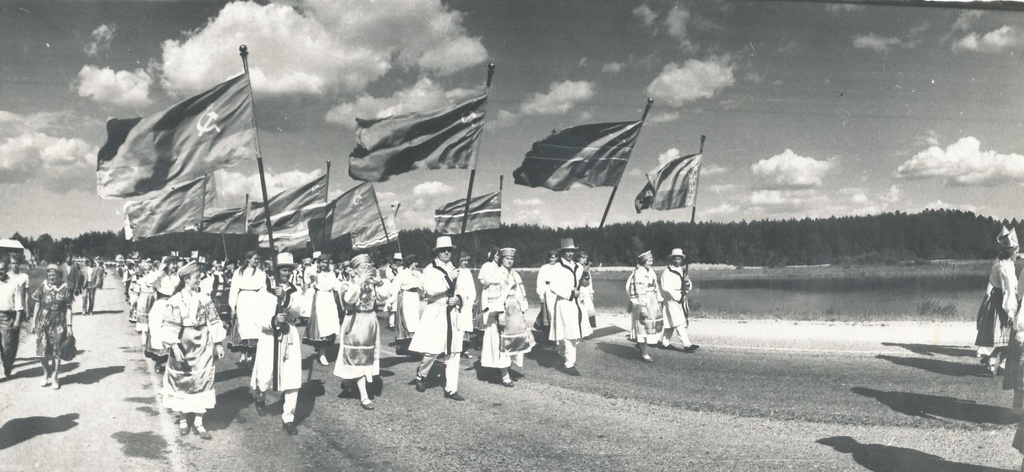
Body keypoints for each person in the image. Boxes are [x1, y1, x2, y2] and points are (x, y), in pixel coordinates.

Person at [161, 261, 227, 440]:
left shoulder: (204, 298)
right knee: (183, 380)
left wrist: (218, 343)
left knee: (203, 380)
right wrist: (174, 346)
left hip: (203, 343)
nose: (199, 280)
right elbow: (169, 324)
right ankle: (183, 419)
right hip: (184, 343)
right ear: (186, 279)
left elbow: (213, 321)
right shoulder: (175, 300)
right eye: (196, 277)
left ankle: (199, 421)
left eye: (199, 277)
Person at [251, 252, 306, 435]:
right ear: (276, 271)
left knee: (292, 378)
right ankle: (260, 397)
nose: (286, 273)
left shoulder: (295, 290)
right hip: (270, 336)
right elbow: (257, 317)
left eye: (289, 270)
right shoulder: (264, 291)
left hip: (289, 335)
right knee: (264, 376)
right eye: (283, 269)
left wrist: (286, 300)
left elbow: (300, 311)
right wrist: (273, 320)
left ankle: (288, 417)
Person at [410, 236, 466, 401]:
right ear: (437, 252)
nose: (447, 252)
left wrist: (459, 298)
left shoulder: (455, 269)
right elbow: (430, 291)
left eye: (449, 250)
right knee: (433, 350)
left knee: (454, 351)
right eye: (443, 250)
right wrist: (449, 279)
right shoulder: (430, 269)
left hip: (452, 313)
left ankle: (451, 389)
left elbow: (464, 289)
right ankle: (422, 374)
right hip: (436, 312)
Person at [334, 254, 388, 410]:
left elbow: (384, 297)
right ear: (355, 270)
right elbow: (349, 300)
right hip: (355, 321)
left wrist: (379, 281)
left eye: (368, 266)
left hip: (370, 321)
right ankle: (364, 396)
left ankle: (348, 382)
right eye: (363, 267)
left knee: (367, 356)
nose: (367, 270)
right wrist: (359, 282)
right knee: (358, 357)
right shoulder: (347, 284)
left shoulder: (371, 283)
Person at [480, 248, 532, 386]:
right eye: (507, 258)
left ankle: (507, 367)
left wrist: (522, 308)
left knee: (515, 341)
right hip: (502, 311)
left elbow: (520, 292)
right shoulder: (496, 274)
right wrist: (498, 311)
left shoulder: (515, 274)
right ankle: (504, 375)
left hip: (514, 311)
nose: (509, 261)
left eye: (511, 259)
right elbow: (493, 294)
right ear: (501, 259)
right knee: (502, 342)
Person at [548, 238, 592, 376]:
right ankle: (569, 364)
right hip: (565, 302)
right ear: (562, 252)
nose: (570, 254)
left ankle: (559, 350)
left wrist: (585, 273)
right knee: (570, 334)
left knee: (578, 333)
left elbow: (585, 284)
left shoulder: (578, 266)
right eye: (567, 251)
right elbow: (554, 287)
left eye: (572, 251)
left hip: (577, 304)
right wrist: (570, 293)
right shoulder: (557, 267)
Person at [978, 226, 1019, 376]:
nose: (1017, 253)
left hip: (997, 300)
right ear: (1011, 251)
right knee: (1010, 335)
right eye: (1015, 250)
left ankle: (999, 363)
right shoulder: (1005, 266)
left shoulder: (1000, 262)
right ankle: (994, 360)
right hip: (1003, 302)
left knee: (1007, 336)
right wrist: (1011, 309)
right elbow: (1007, 289)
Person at [31, 264, 72, 388]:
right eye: (49, 275)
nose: (52, 278)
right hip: (43, 322)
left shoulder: (65, 289)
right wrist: (33, 322)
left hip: (59, 323)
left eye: (54, 275)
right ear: (47, 276)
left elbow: (69, 308)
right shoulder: (43, 286)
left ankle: (55, 378)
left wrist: (69, 325)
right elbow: (37, 304)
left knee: (57, 350)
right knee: (42, 350)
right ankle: (45, 374)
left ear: (59, 275)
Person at [228, 250, 267, 368]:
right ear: (248, 259)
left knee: (254, 329)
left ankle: (250, 356)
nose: (257, 261)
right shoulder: (238, 272)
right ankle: (242, 355)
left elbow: (263, 289)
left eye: (258, 259)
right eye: (255, 259)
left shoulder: (260, 273)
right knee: (243, 328)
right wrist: (232, 307)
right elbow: (234, 289)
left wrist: (263, 305)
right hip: (243, 301)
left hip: (255, 301)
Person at [303, 254, 342, 367]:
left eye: (327, 262)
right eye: (322, 262)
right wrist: (312, 279)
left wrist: (343, 286)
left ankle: (322, 350)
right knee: (321, 325)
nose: (324, 264)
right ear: (319, 262)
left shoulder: (331, 273)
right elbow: (308, 282)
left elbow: (336, 285)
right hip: (319, 299)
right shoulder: (314, 272)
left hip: (329, 299)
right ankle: (322, 353)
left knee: (330, 325)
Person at [659, 248, 699, 353]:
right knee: (679, 322)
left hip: (680, 298)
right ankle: (687, 344)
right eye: (675, 259)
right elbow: (666, 288)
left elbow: (687, 285)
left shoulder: (682, 270)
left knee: (671, 321)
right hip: (672, 299)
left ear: (682, 260)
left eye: (679, 259)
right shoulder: (667, 272)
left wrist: (687, 282)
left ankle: (665, 343)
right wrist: (678, 297)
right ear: (671, 259)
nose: (677, 261)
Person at [627, 251, 664, 362]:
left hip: (652, 302)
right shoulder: (638, 273)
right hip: (643, 301)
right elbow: (639, 291)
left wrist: (659, 299)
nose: (651, 262)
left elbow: (656, 286)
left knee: (650, 327)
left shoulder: (651, 271)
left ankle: (642, 346)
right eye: (649, 260)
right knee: (642, 328)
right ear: (643, 262)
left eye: (651, 260)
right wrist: (642, 307)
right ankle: (644, 353)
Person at [147, 271, 179, 375]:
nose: (174, 266)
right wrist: (159, 269)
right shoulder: (159, 275)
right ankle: (158, 362)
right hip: (160, 306)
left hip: (174, 304)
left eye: (175, 263)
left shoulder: (176, 276)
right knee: (158, 333)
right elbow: (148, 280)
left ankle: (172, 365)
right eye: (172, 263)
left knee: (174, 332)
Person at [389, 255, 422, 355]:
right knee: (406, 321)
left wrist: (418, 277)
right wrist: (391, 301)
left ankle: (412, 346)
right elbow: (395, 287)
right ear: (410, 263)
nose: (416, 264)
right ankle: (402, 346)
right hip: (406, 297)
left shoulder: (418, 273)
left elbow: (422, 286)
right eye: (414, 263)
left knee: (415, 321)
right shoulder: (402, 273)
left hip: (415, 297)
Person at [0, 260, 24, 378]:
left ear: (7, 269)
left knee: (6, 346)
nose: (0, 271)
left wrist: (18, 319)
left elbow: (19, 303)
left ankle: (7, 364)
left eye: (2, 269)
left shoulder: (14, 283)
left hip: (7, 317)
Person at [533, 249, 559, 342]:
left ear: (557, 258)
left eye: (553, 257)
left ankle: (557, 337)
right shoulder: (544, 267)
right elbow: (540, 281)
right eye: (550, 257)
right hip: (547, 291)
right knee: (547, 314)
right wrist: (541, 293)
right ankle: (547, 337)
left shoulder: (559, 267)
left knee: (556, 313)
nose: (551, 259)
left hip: (557, 292)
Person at [454, 254, 477, 358]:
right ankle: (455, 348)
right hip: (457, 300)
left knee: (466, 324)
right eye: (463, 261)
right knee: (457, 324)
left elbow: (471, 287)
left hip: (466, 300)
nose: (465, 263)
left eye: (466, 261)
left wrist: (471, 299)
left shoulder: (467, 271)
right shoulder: (455, 271)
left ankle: (464, 348)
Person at [576, 251, 596, 329]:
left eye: (585, 258)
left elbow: (589, 282)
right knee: (582, 309)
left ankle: (587, 327)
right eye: (582, 258)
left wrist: (591, 292)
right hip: (580, 290)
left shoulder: (586, 268)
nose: (584, 260)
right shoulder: (577, 267)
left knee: (589, 309)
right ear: (578, 258)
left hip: (586, 291)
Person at [383, 253, 402, 330]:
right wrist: (395, 271)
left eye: (400, 261)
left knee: (399, 306)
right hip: (392, 288)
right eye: (397, 260)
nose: (399, 262)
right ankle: (391, 324)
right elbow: (391, 278)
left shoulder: (401, 268)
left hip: (400, 288)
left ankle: (398, 323)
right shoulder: (389, 269)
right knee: (392, 307)